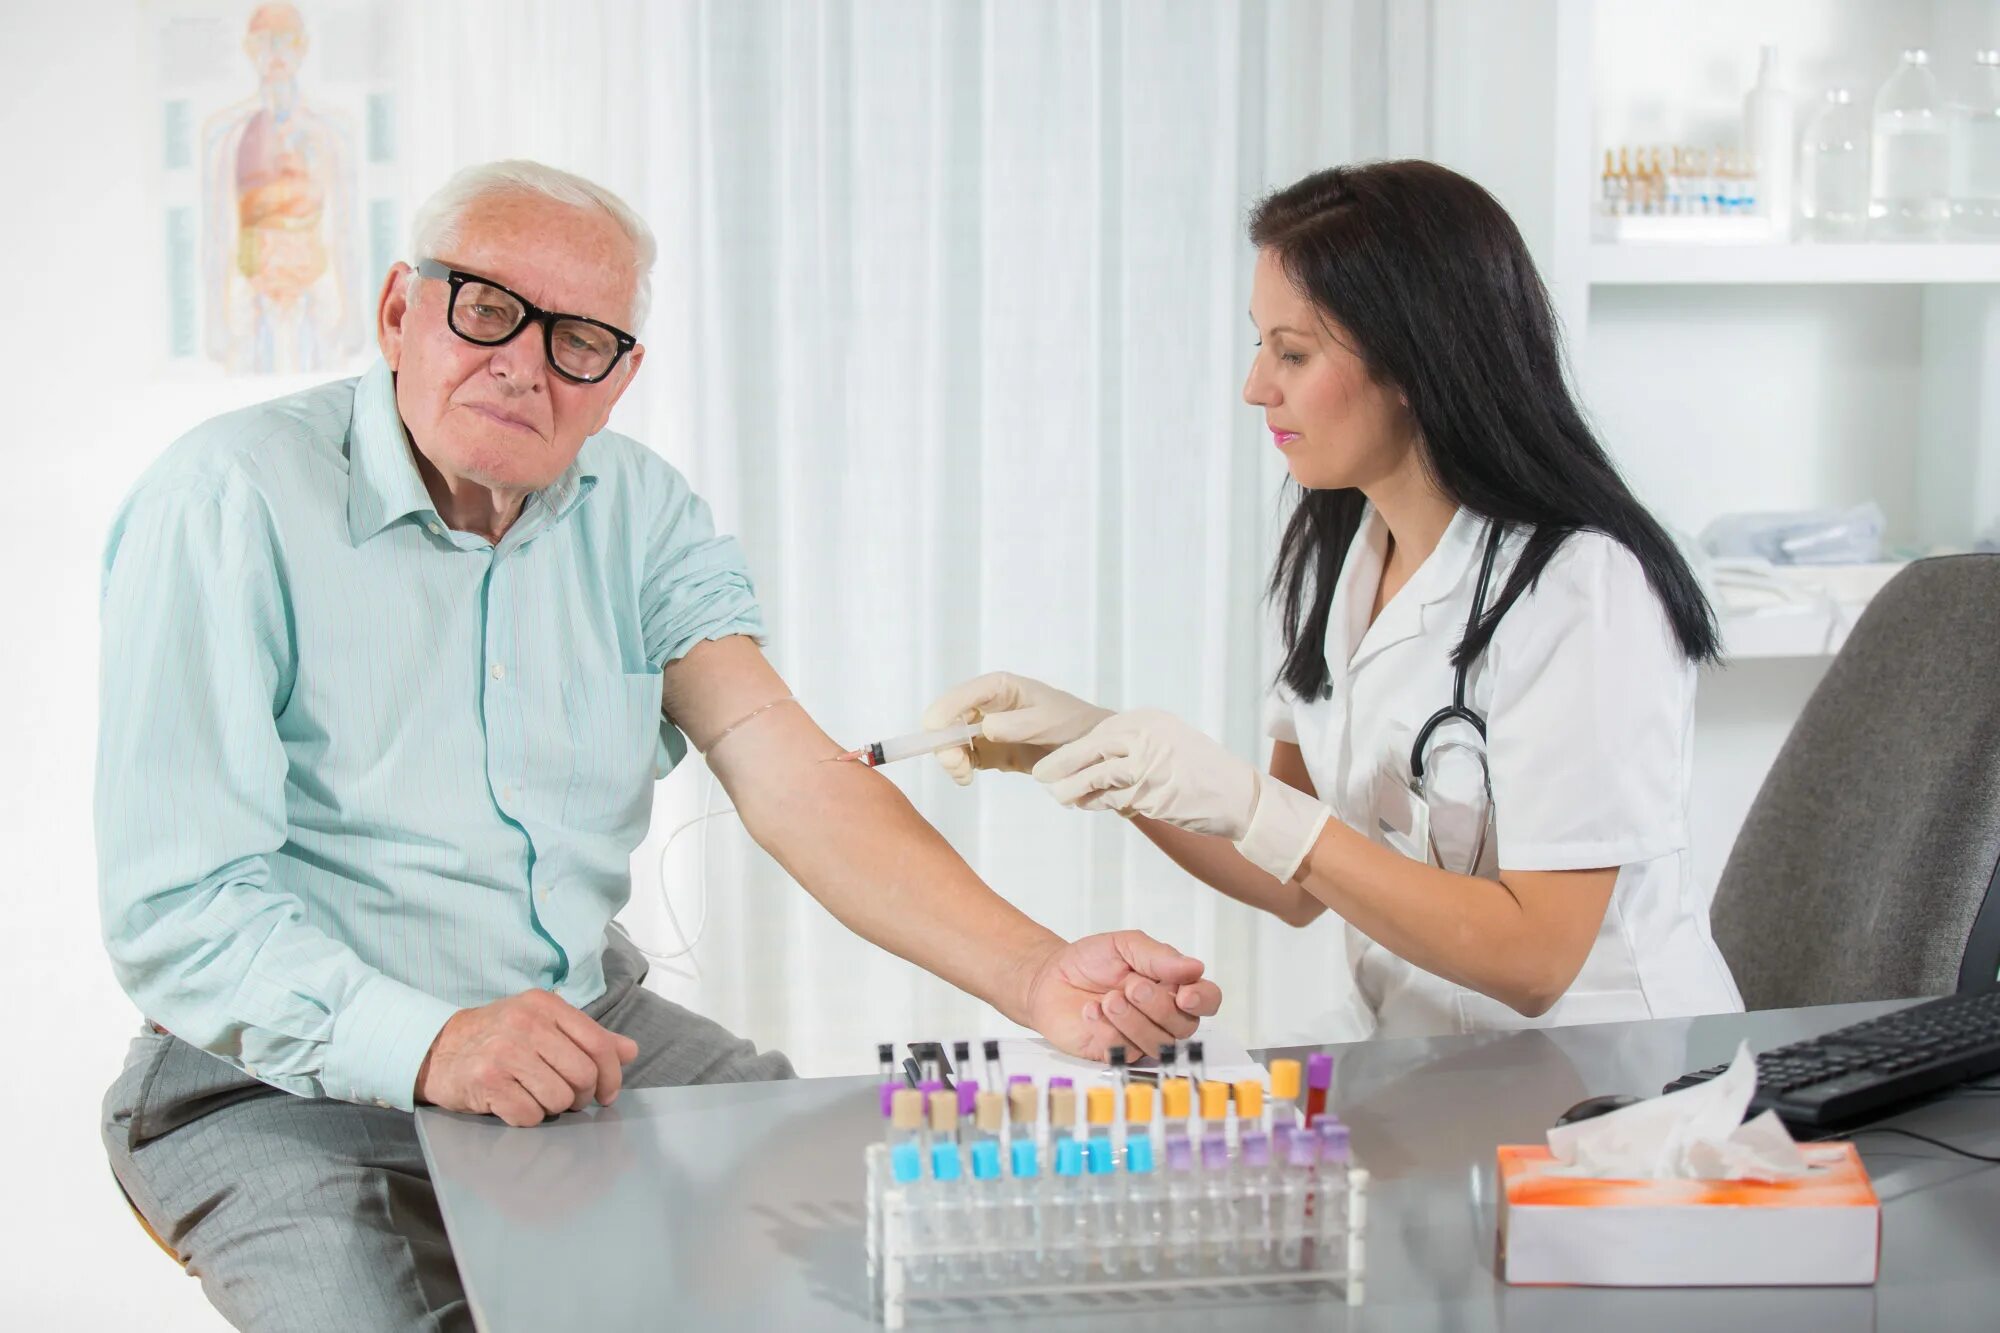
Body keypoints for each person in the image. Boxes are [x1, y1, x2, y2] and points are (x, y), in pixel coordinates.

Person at [97, 159, 1221, 1330]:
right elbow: (180, 906)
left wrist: (1035, 975)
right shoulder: (226, 499)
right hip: (272, 1080)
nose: (522, 362)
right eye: (485, 307)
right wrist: (430, 1042)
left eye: (579, 338)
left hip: (582, 1031)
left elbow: (788, 771)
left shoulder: (639, 513)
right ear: (398, 310)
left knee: (891, 1241)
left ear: (621, 374)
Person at [924, 160, 1743, 1043]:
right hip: (1423, 1066)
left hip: (1614, 1080)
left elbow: (1537, 959)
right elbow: (1292, 881)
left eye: (1294, 353)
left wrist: (1252, 803)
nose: (1255, 387)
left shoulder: (1583, 588)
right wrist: (1099, 747)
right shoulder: (1333, 557)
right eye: (1259, 344)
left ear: (1413, 362)